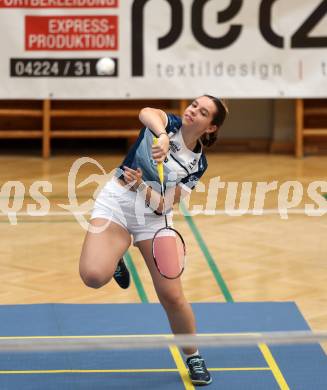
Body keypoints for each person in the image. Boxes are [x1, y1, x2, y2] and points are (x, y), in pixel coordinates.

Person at [79, 95, 228, 386]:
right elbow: (146, 112)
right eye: (194, 105)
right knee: (94, 276)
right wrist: (161, 137)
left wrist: (143, 187)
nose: (193, 111)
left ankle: (193, 355)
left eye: (203, 112)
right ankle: (114, 256)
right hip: (118, 203)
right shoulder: (168, 123)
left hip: (153, 218)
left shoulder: (197, 164)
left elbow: (165, 206)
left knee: (172, 296)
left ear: (210, 127)